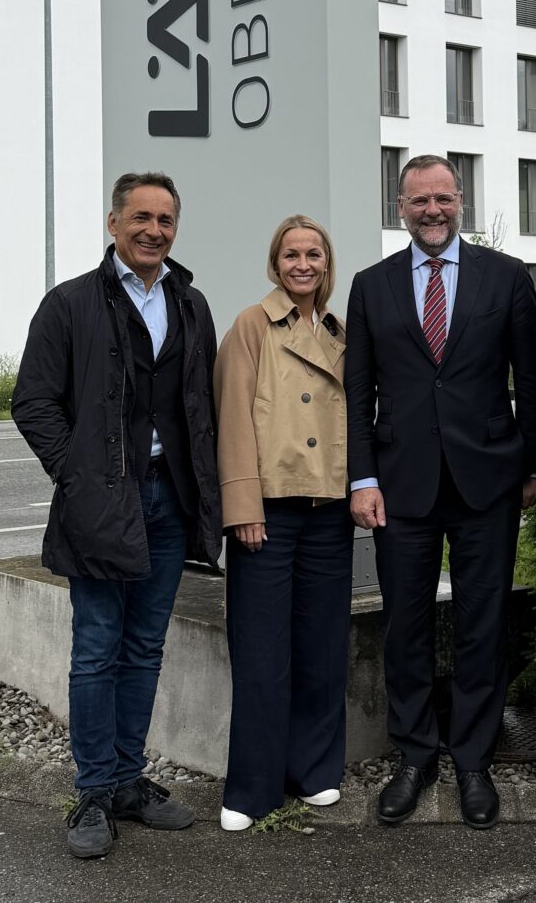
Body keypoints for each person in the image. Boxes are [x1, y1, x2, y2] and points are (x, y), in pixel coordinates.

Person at [12, 172, 221, 859]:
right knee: (97, 647)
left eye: (165, 219)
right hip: (102, 499)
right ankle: (94, 790)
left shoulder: (190, 303)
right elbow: (34, 401)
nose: (153, 229)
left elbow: (202, 408)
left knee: (145, 645)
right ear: (113, 222)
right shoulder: (70, 302)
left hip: (169, 498)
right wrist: (76, 475)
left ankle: (130, 780)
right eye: (140, 216)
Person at [344, 154, 536, 830]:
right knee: (404, 622)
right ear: (399, 206)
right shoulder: (371, 286)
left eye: (442, 197)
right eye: (418, 200)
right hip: (399, 485)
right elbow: (359, 392)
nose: (432, 210)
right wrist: (362, 476)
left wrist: (533, 465)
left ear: (460, 199)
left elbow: (531, 380)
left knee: (480, 623)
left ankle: (472, 758)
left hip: (487, 478)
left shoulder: (508, 278)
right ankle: (414, 754)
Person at [212, 215, 353, 832]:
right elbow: (233, 418)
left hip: (328, 508)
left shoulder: (340, 330)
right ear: (276, 263)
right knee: (261, 651)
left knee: (321, 648)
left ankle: (315, 771)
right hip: (267, 511)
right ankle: (252, 787)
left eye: (313, 254)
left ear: (327, 263)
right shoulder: (251, 325)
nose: (303, 264)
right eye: (291, 254)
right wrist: (241, 506)